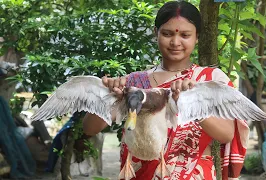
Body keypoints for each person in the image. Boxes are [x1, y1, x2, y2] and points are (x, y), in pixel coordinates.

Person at [83, 1, 249, 179]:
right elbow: (89, 128)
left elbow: (226, 135)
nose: (175, 42)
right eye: (167, 34)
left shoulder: (210, 79)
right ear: (156, 33)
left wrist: (191, 104)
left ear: (197, 37)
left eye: (185, 35)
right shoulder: (135, 82)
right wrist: (110, 96)